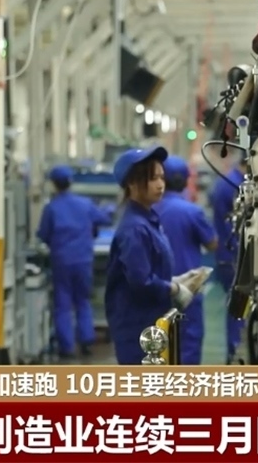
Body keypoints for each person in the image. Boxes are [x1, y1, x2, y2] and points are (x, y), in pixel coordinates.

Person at [104, 147, 196, 365]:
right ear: (132, 183)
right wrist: (173, 288)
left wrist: (175, 281)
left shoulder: (148, 220)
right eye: (152, 178)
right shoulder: (135, 228)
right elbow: (140, 281)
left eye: (162, 177)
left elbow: (148, 268)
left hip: (151, 320)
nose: (160, 184)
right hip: (136, 326)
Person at [36, 165, 112, 359]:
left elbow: (43, 234)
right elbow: (105, 219)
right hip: (83, 260)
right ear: (71, 182)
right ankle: (86, 341)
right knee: (83, 301)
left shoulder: (51, 208)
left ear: (54, 184)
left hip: (61, 261)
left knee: (63, 304)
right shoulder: (85, 204)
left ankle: (67, 347)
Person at [155, 155, 218, 365]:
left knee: (156, 339)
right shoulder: (192, 211)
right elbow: (212, 243)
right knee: (189, 340)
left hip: (156, 285)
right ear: (185, 181)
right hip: (188, 288)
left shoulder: (148, 210)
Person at [208, 158, 247, 363]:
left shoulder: (230, 181)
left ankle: (235, 354)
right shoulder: (233, 185)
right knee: (238, 309)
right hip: (232, 257)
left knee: (239, 308)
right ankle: (235, 355)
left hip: (230, 255)